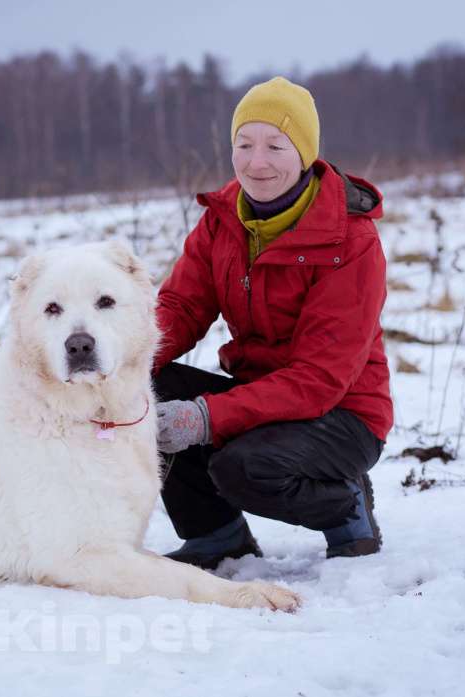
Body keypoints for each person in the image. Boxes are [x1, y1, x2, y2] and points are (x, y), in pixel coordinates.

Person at [152, 76, 393, 569]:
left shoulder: (350, 239)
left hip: (343, 415)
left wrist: (205, 418)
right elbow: (180, 308)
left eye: (275, 146)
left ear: (304, 152)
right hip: (261, 398)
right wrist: (115, 359)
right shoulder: (222, 218)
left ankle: (345, 504)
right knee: (145, 385)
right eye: (244, 144)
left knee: (243, 467)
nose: (256, 162)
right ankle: (215, 535)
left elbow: (319, 379)